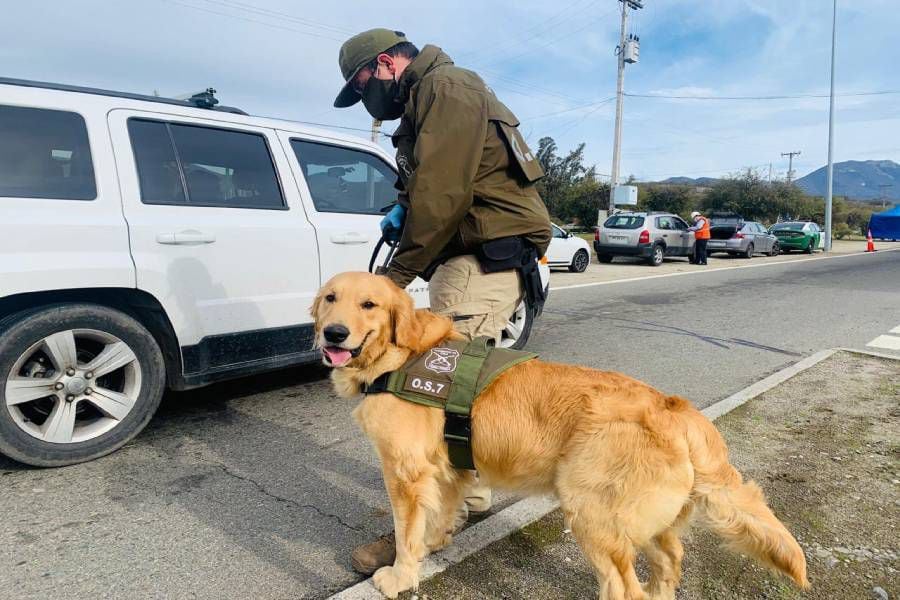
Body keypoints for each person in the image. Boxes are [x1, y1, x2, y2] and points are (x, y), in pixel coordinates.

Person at [333, 28, 552, 575]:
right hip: (471, 259)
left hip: (482, 261)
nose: (366, 102)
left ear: (384, 64)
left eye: (362, 87)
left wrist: (393, 277)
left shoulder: (445, 86)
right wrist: (402, 207)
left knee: (440, 393)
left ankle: (430, 526)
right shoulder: (431, 96)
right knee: (454, 394)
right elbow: (432, 184)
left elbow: (444, 192)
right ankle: (460, 505)